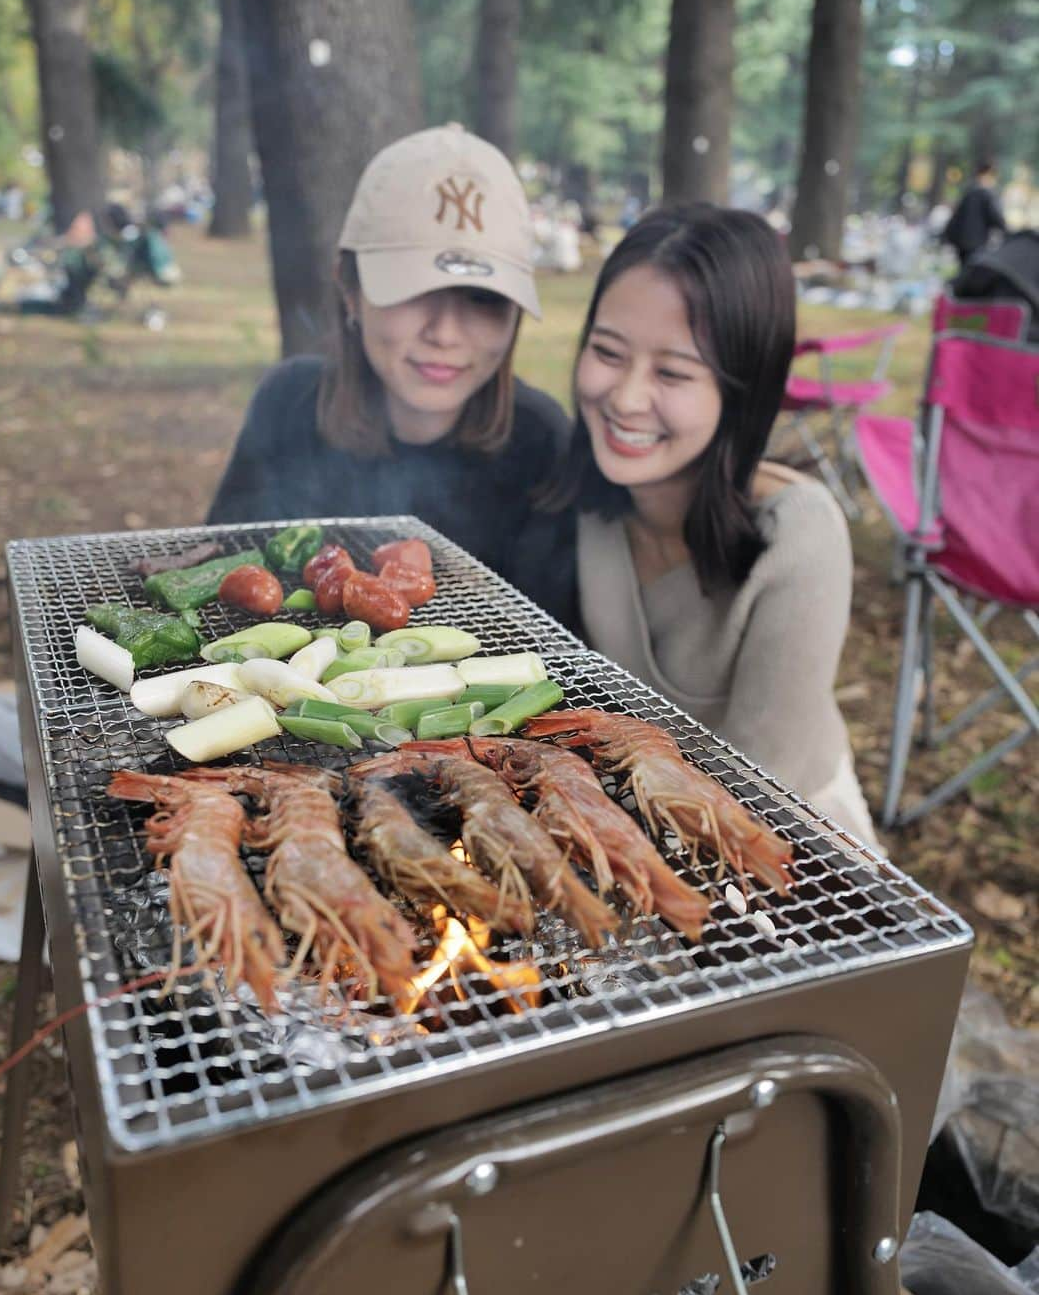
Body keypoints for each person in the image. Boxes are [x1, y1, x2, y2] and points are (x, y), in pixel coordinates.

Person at [546, 204, 880, 846]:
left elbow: (764, 793)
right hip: (630, 817)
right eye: (608, 352)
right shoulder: (586, 498)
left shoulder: (797, 536)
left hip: (786, 837)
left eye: (672, 373)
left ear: (742, 391)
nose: (625, 397)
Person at [207, 123, 573, 625]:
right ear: (349, 289)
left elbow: (552, 647)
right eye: (412, 291)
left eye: (483, 299)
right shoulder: (287, 405)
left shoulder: (541, 441)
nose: (445, 333)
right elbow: (220, 585)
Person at [941, 162, 1007, 269]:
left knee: (964, 271)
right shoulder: (986, 194)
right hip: (977, 244)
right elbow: (996, 218)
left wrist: (948, 238)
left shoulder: (968, 191)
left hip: (961, 243)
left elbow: (956, 217)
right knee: (973, 272)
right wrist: (1007, 232)